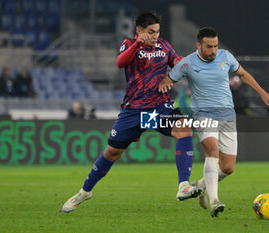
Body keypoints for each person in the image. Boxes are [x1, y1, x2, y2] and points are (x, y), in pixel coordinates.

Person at [62, 12, 202, 213]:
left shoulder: (164, 46)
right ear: (139, 31)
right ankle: (85, 192)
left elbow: (181, 63)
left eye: (157, 32)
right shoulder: (128, 44)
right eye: (150, 32)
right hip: (134, 111)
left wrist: (171, 77)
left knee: (184, 129)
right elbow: (120, 62)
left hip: (158, 108)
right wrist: (137, 44)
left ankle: (183, 186)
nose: (155, 36)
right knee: (112, 152)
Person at [159, 27, 269, 217]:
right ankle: (215, 201)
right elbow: (169, 78)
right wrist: (164, 83)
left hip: (227, 116)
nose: (213, 50)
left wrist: (262, 93)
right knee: (212, 150)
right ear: (199, 45)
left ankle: (199, 186)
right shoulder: (187, 63)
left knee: (228, 167)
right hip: (204, 115)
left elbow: (243, 74)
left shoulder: (225, 56)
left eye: (215, 46)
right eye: (209, 46)